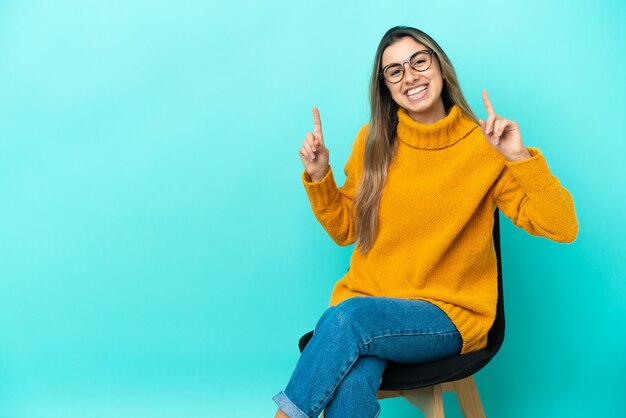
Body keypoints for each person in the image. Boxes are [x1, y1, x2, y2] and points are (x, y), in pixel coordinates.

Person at [273, 26, 578, 418]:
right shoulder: (373, 142)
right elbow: (346, 229)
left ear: (440, 66)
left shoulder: (484, 146)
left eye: (419, 61)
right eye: (395, 71)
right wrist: (319, 176)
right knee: (351, 372)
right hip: (369, 310)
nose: (410, 76)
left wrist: (519, 159)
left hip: (447, 315)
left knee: (347, 319)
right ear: (385, 86)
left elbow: (562, 226)